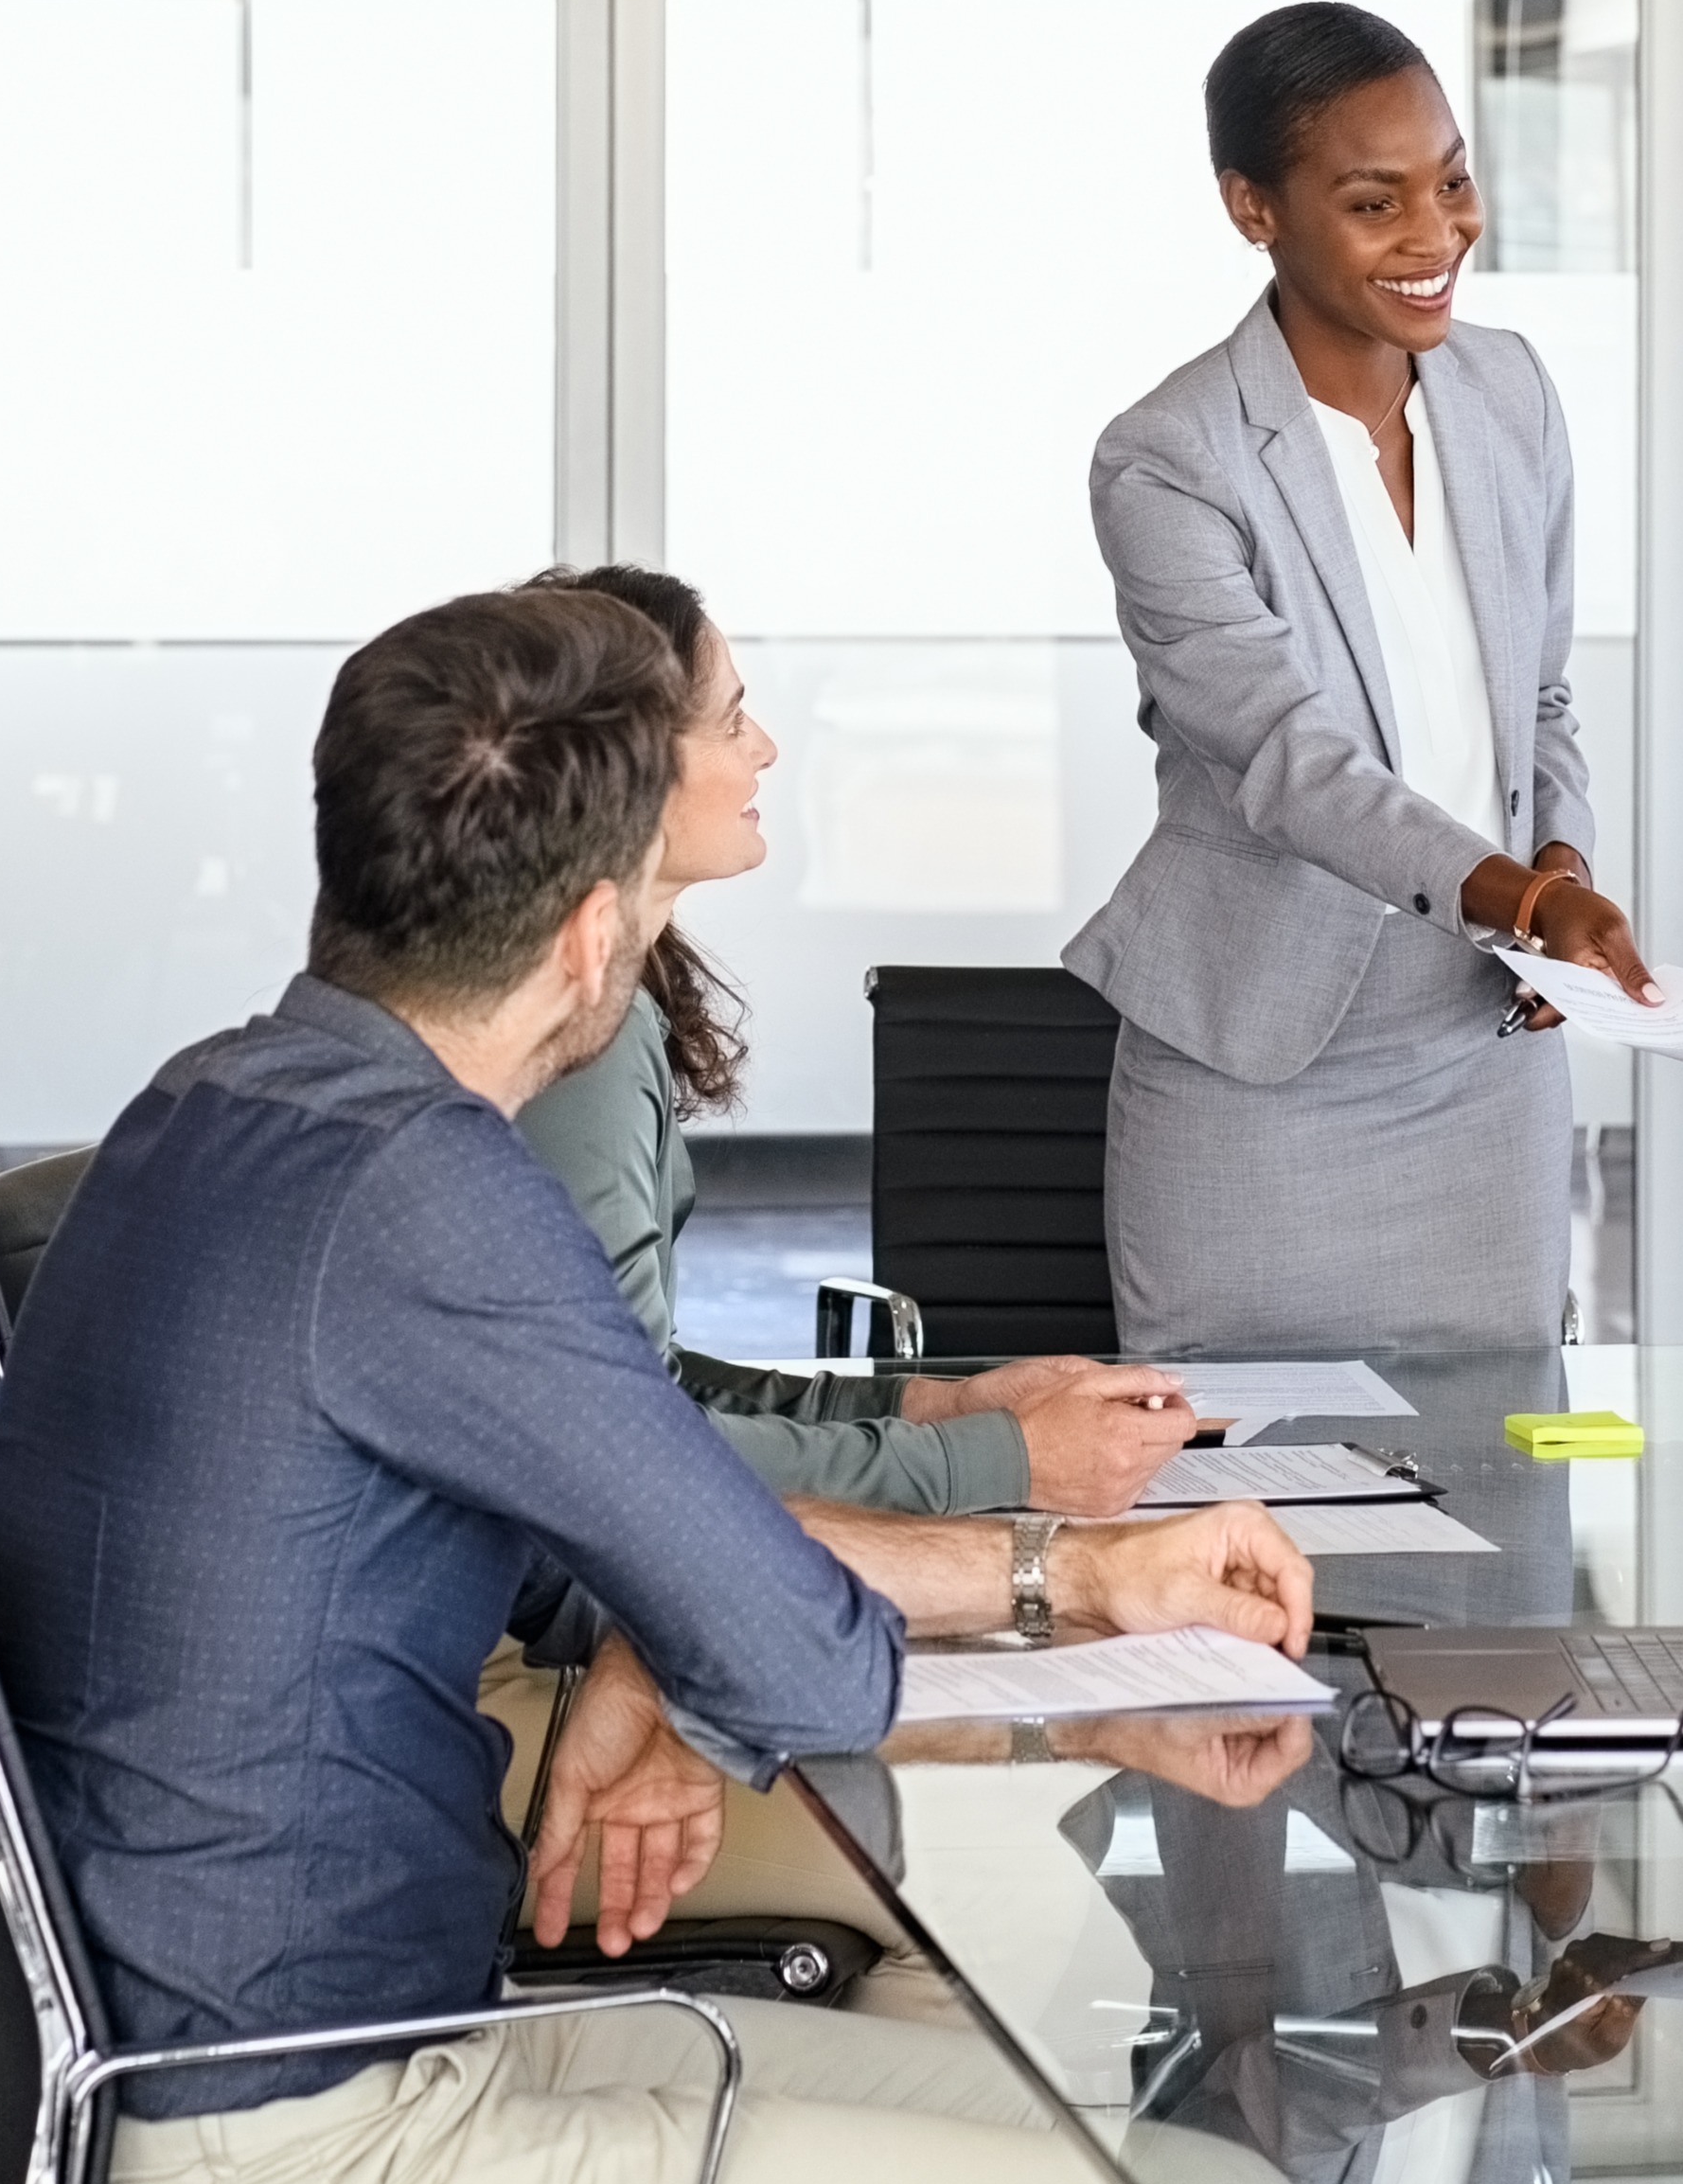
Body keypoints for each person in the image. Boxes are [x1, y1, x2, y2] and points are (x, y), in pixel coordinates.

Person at [0, 585, 1310, 2184]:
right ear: (596, 933)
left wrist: (664, 1632)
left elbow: (627, 1522)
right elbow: (783, 1650)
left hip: (295, 2048)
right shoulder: (425, 1188)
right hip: (312, 2135)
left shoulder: (207, 1101)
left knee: (1074, 2127)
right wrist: (1068, 1591)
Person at [1069, 0, 1652, 1356]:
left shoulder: (1511, 396)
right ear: (1252, 208)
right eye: (1374, 201)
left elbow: (1541, 701)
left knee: (1505, 1506)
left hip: (1484, 1054)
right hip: (1260, 1076)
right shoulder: (1170, 458)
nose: (1436, 235)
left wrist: (1556, 854)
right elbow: (1285, 760)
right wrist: (1527, 895)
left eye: (1450, 182)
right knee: (1244, 1510)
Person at [511, 564, 1200, 1518]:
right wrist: (994, 1463)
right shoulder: (577, 1038)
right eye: (730, 719)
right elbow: (622, 1446)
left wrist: (932, 1407)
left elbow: (638, 1387)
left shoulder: (602, 999)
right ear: (629, 765)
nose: (765, 748)